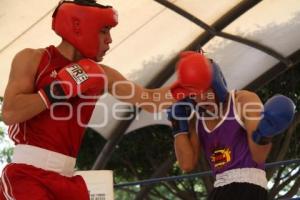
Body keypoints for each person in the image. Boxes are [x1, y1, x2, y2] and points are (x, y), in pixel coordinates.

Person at [0, 0, 206, 199]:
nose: (109, 40)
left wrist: (187, 86)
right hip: (27, 176)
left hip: (66, 179)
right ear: (80, 27)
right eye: (104, 30)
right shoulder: (33, 59)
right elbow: (9, 113)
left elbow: (150, 101)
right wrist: (58, 89)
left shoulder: (102, 74)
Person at [167, 51, 295, 200]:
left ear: (217, 84)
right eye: (194, 95)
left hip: (249, 187)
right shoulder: (196, 121)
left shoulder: (243, 100)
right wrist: (178, 126)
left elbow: (257, 151)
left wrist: (264, 132)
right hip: (220, 188)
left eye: (205, 91)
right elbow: (186, 164)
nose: (202, 99)